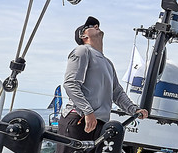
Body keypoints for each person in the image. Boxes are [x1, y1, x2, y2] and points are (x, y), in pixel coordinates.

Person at [58, 16, 148, 144]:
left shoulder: (108, 63)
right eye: (90, 26)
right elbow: (70, 84)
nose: (96, 26)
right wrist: (88, 112)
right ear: (83, 36)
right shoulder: (82, 51)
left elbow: (117, 93)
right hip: (79, 119)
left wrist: (134, 110)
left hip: (98, 124)